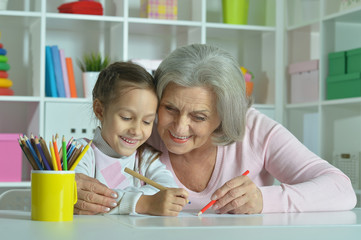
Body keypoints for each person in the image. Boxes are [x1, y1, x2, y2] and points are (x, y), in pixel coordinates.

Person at [74, 44, 357, 215]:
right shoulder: (144, 128)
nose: (178, 128)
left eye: (198, 116)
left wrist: (262, 200)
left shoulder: (256, 130)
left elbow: (341, 189)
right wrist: (70, 186)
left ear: (224, 116)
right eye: (170, 108)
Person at [73, 61, 188, 216]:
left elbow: (167, 189)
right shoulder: (79, 152)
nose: (136, 130)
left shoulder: (146, 158)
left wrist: (122, 199)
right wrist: (143, 203)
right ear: (100, 111)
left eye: (147, 121)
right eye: (126, 118)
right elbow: (84, 199)